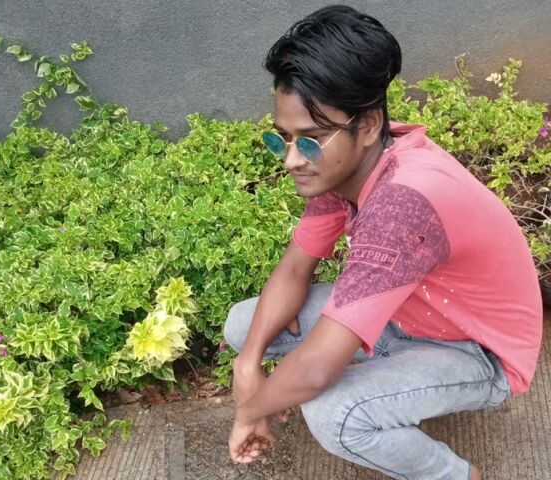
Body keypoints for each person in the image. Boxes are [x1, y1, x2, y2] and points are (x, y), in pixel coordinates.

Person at [223, 5, 543, 479]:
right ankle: (388, 385)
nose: (291, 160)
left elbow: (317, 370)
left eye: (308, 141)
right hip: (405, 314)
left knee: (334, 411)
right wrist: (247, 367)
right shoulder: (344, 164)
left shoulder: (404, 200)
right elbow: (294, 268)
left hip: (477, 351)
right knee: (245, 326)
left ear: (369, 124)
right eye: (282, 139)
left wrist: (252, 410)